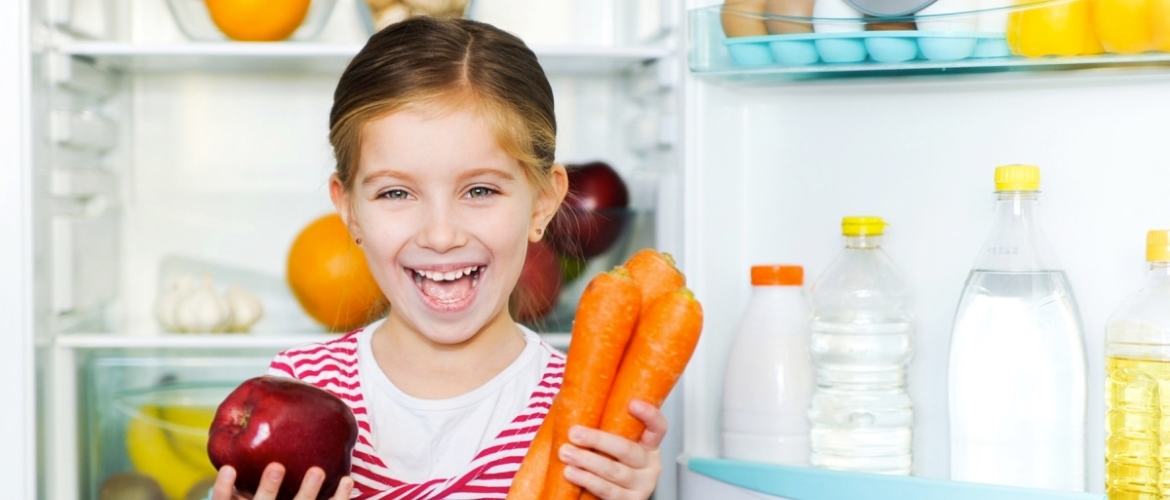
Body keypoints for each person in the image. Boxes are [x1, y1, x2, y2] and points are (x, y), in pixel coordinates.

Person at [210, 16, 668, 500]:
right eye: (396, 193)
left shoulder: (585, 415)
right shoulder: (299, 385)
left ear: (543, 202)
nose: (441, 234)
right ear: (350, 211)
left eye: (479, 189)